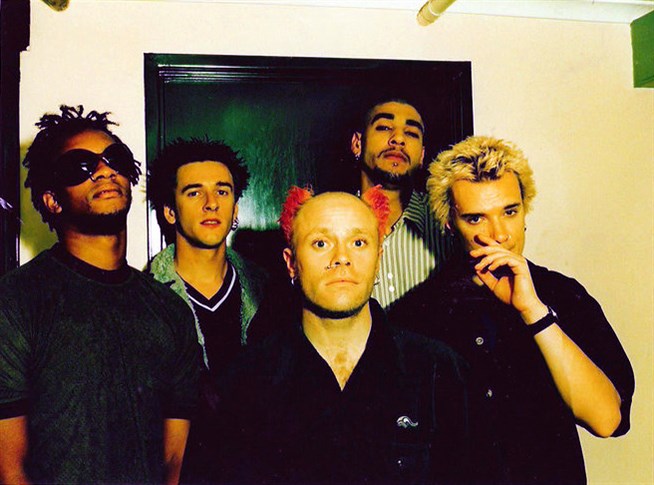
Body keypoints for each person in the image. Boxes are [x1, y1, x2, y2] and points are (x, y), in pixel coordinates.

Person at [388, 135, 635, 484]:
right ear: (449, 224)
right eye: (476, 218)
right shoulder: (414, 315)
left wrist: (533, 311)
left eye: (509, 212)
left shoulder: (564, 296)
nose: (499, 234)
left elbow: (607, 420)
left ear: (524, 211)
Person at [0, 105, 201, 484]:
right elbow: (9, 469)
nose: (104, 170)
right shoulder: (16, 302)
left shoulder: (170, 310)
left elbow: (175, 459)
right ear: (52, 200)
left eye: (115, 159)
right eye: (80, 166)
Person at [216, 187, 469, 484]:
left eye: (358, 242)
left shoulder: (440, 371)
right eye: (321, 243)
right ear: (291, 263)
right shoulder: (245, 381)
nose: (341, 258)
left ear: (378, 259)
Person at [146, 137, 268, 483]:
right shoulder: (144, 299)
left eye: (222, 191)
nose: (211, 203)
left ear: (236, 210)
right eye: (194, 192)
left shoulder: (269, 292)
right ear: (170, 211)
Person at [350, 98, 452, 308]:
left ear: (422, 155)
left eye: (411, 133)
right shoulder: (329, 225)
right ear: (357, 144)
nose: (398, 139)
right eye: (384, 127)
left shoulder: (448, 224)